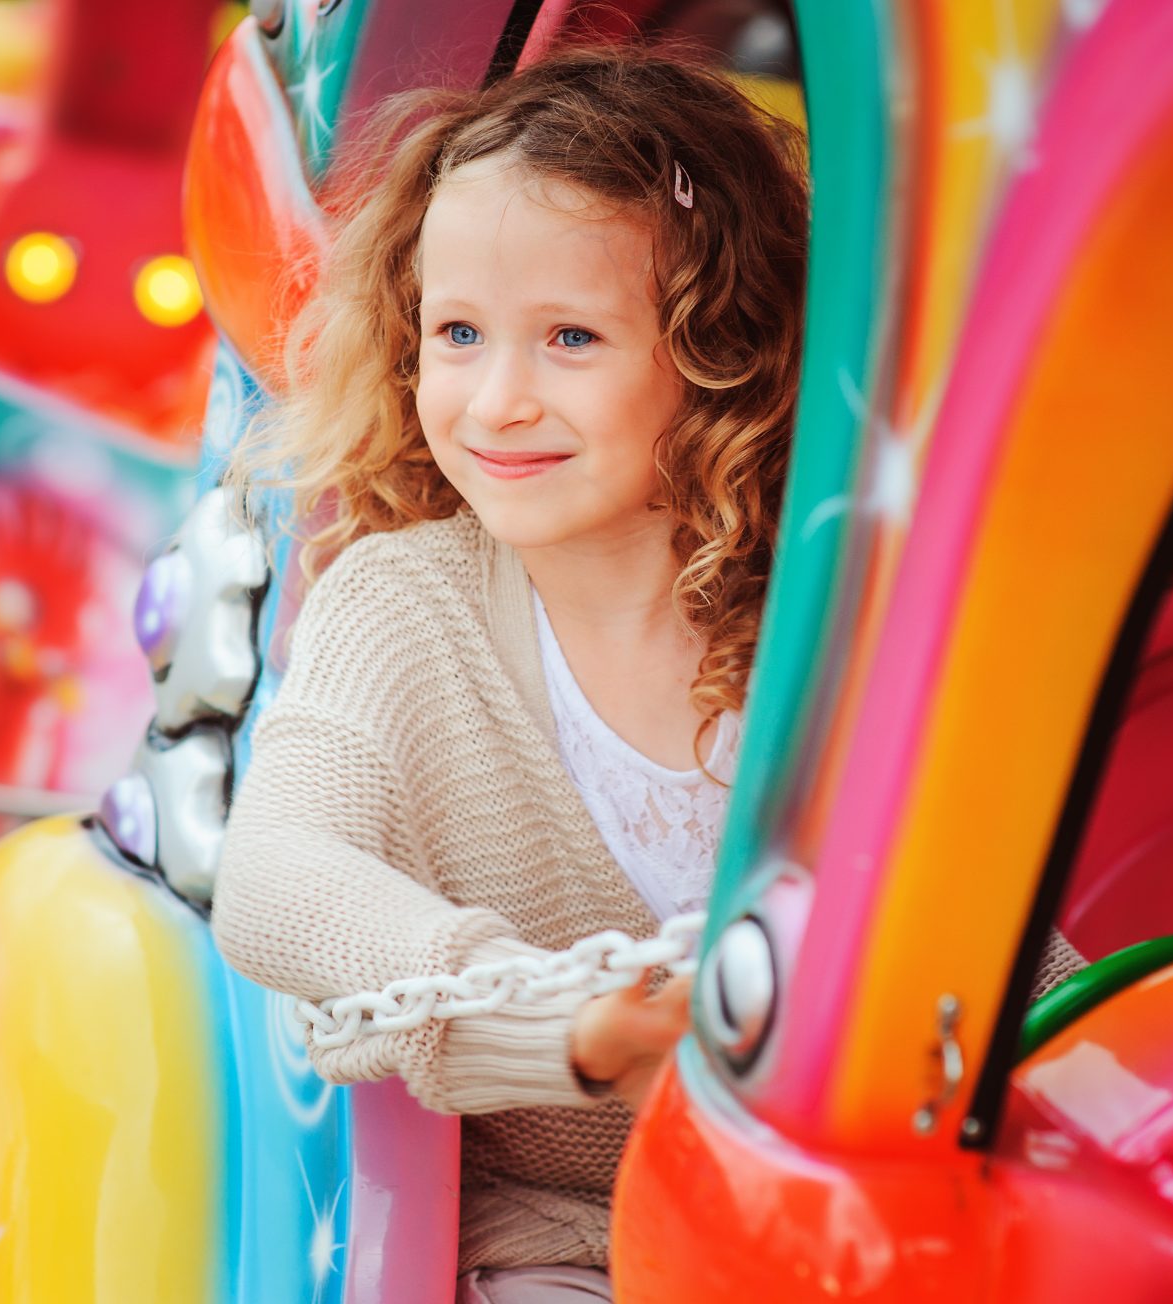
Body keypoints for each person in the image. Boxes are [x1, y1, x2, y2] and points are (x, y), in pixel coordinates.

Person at [211, 44, 808, 1302]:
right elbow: (275, 871)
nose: (495, 399)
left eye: (571, 338)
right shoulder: (406, 605)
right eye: (460, 334)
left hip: (822, 1229)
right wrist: (566, 1023)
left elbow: (1004, 945)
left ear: (723, 354)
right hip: (566, 1236)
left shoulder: (821, 631)